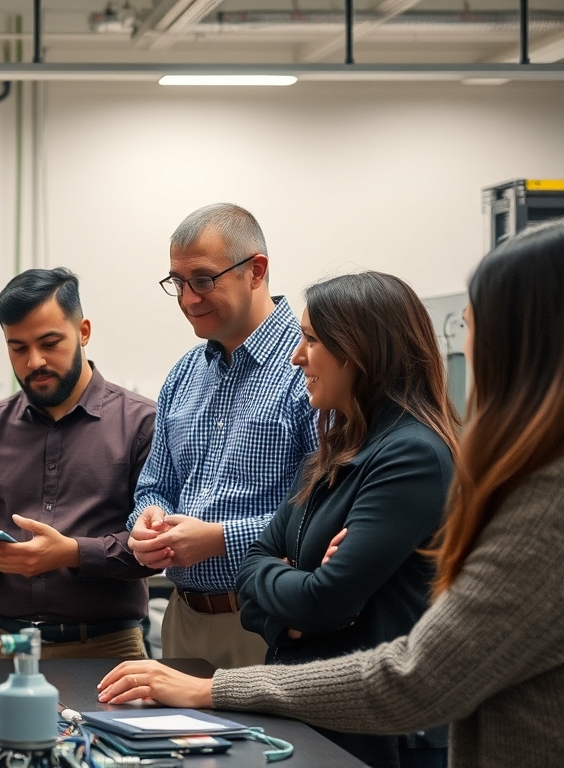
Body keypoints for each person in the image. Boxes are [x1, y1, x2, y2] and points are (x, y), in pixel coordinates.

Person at [98, 221, 564, 768]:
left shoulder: (488, 481)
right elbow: (261, 568)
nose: (300, 357)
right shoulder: (339, 442)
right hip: (294, 681)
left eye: (469, 325)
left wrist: (224, 677)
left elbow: (402, 663)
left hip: (368, 731)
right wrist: (294, 585)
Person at [234, 271, 457, 768]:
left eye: (311, 340)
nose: (297, 356)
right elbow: (250, 571)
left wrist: (305, 593)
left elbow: (326, 600)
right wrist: (293, 609)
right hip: (315, 720)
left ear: (357, 352)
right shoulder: (330, 453)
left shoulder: (412, 457)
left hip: (378, 740)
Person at [127, 203, 317, 669]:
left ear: (256, 271)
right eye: (177, 282)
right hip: (184, 616)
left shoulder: (308, 369)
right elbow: (156, 484)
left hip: (267, 620)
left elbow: (325, 512)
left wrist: (220, 539)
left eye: (204, 280)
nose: (189, 298)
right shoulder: (184, 374)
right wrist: (146, 521)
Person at [0, 268, 159, 659]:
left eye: (49, 342)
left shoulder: (142, 424)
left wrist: (72, 552)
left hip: (106, 647)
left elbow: (152, 549)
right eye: (17, 348)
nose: (34, 361)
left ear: (83, 332)